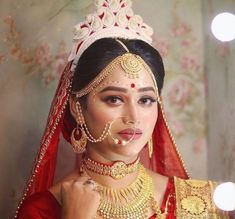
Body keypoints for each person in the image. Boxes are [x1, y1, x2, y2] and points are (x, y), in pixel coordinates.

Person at [15, 0, 230, 218]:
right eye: (114, 99)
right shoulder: (41, 211)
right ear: (76, 107)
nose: (134, 117)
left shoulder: (202, 202)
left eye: (145, 100)